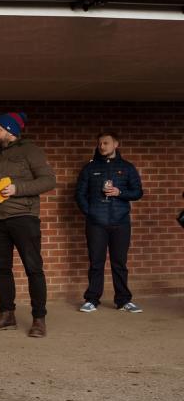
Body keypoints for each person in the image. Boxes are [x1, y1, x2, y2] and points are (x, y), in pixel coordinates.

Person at [0, 112, 56, 338]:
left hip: (23, 218)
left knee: (33, 269)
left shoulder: (30, 151)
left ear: (10, 131)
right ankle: (6, 315)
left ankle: (39, 319)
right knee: (2, 269)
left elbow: (49, 180)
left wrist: (16, 189)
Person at [75, 131, 144, 313]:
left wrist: (120, 193)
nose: (102, 146)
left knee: (119, 263)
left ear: (116, 144)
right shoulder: (89, 168)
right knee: (96, 263)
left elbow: (138, 192)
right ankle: (92, 299)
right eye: (100, 144)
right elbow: (80, 194)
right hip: (96, 223)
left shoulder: (127, 167)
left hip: (121, 223)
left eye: (105, 143)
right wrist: (90, 212)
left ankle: (123, 300)